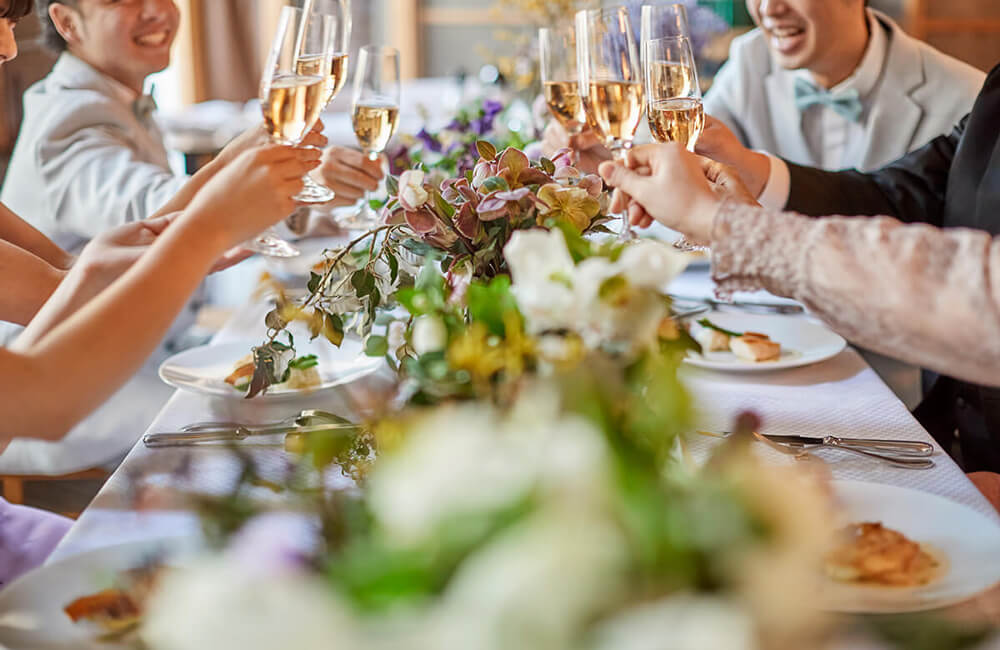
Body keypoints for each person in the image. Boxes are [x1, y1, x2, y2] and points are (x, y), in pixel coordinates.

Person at [0, 0, 319, 586]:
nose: (9, 49)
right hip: (57, 403)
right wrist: (210, 225)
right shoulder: (71, 115)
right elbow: (40, 400)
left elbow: (70, 280)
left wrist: (232, 165)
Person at [597, 52, 1000, 469]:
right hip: (957, 438)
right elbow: (901, 195)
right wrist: (749, 181)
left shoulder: (955, 81)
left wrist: (730, 228)